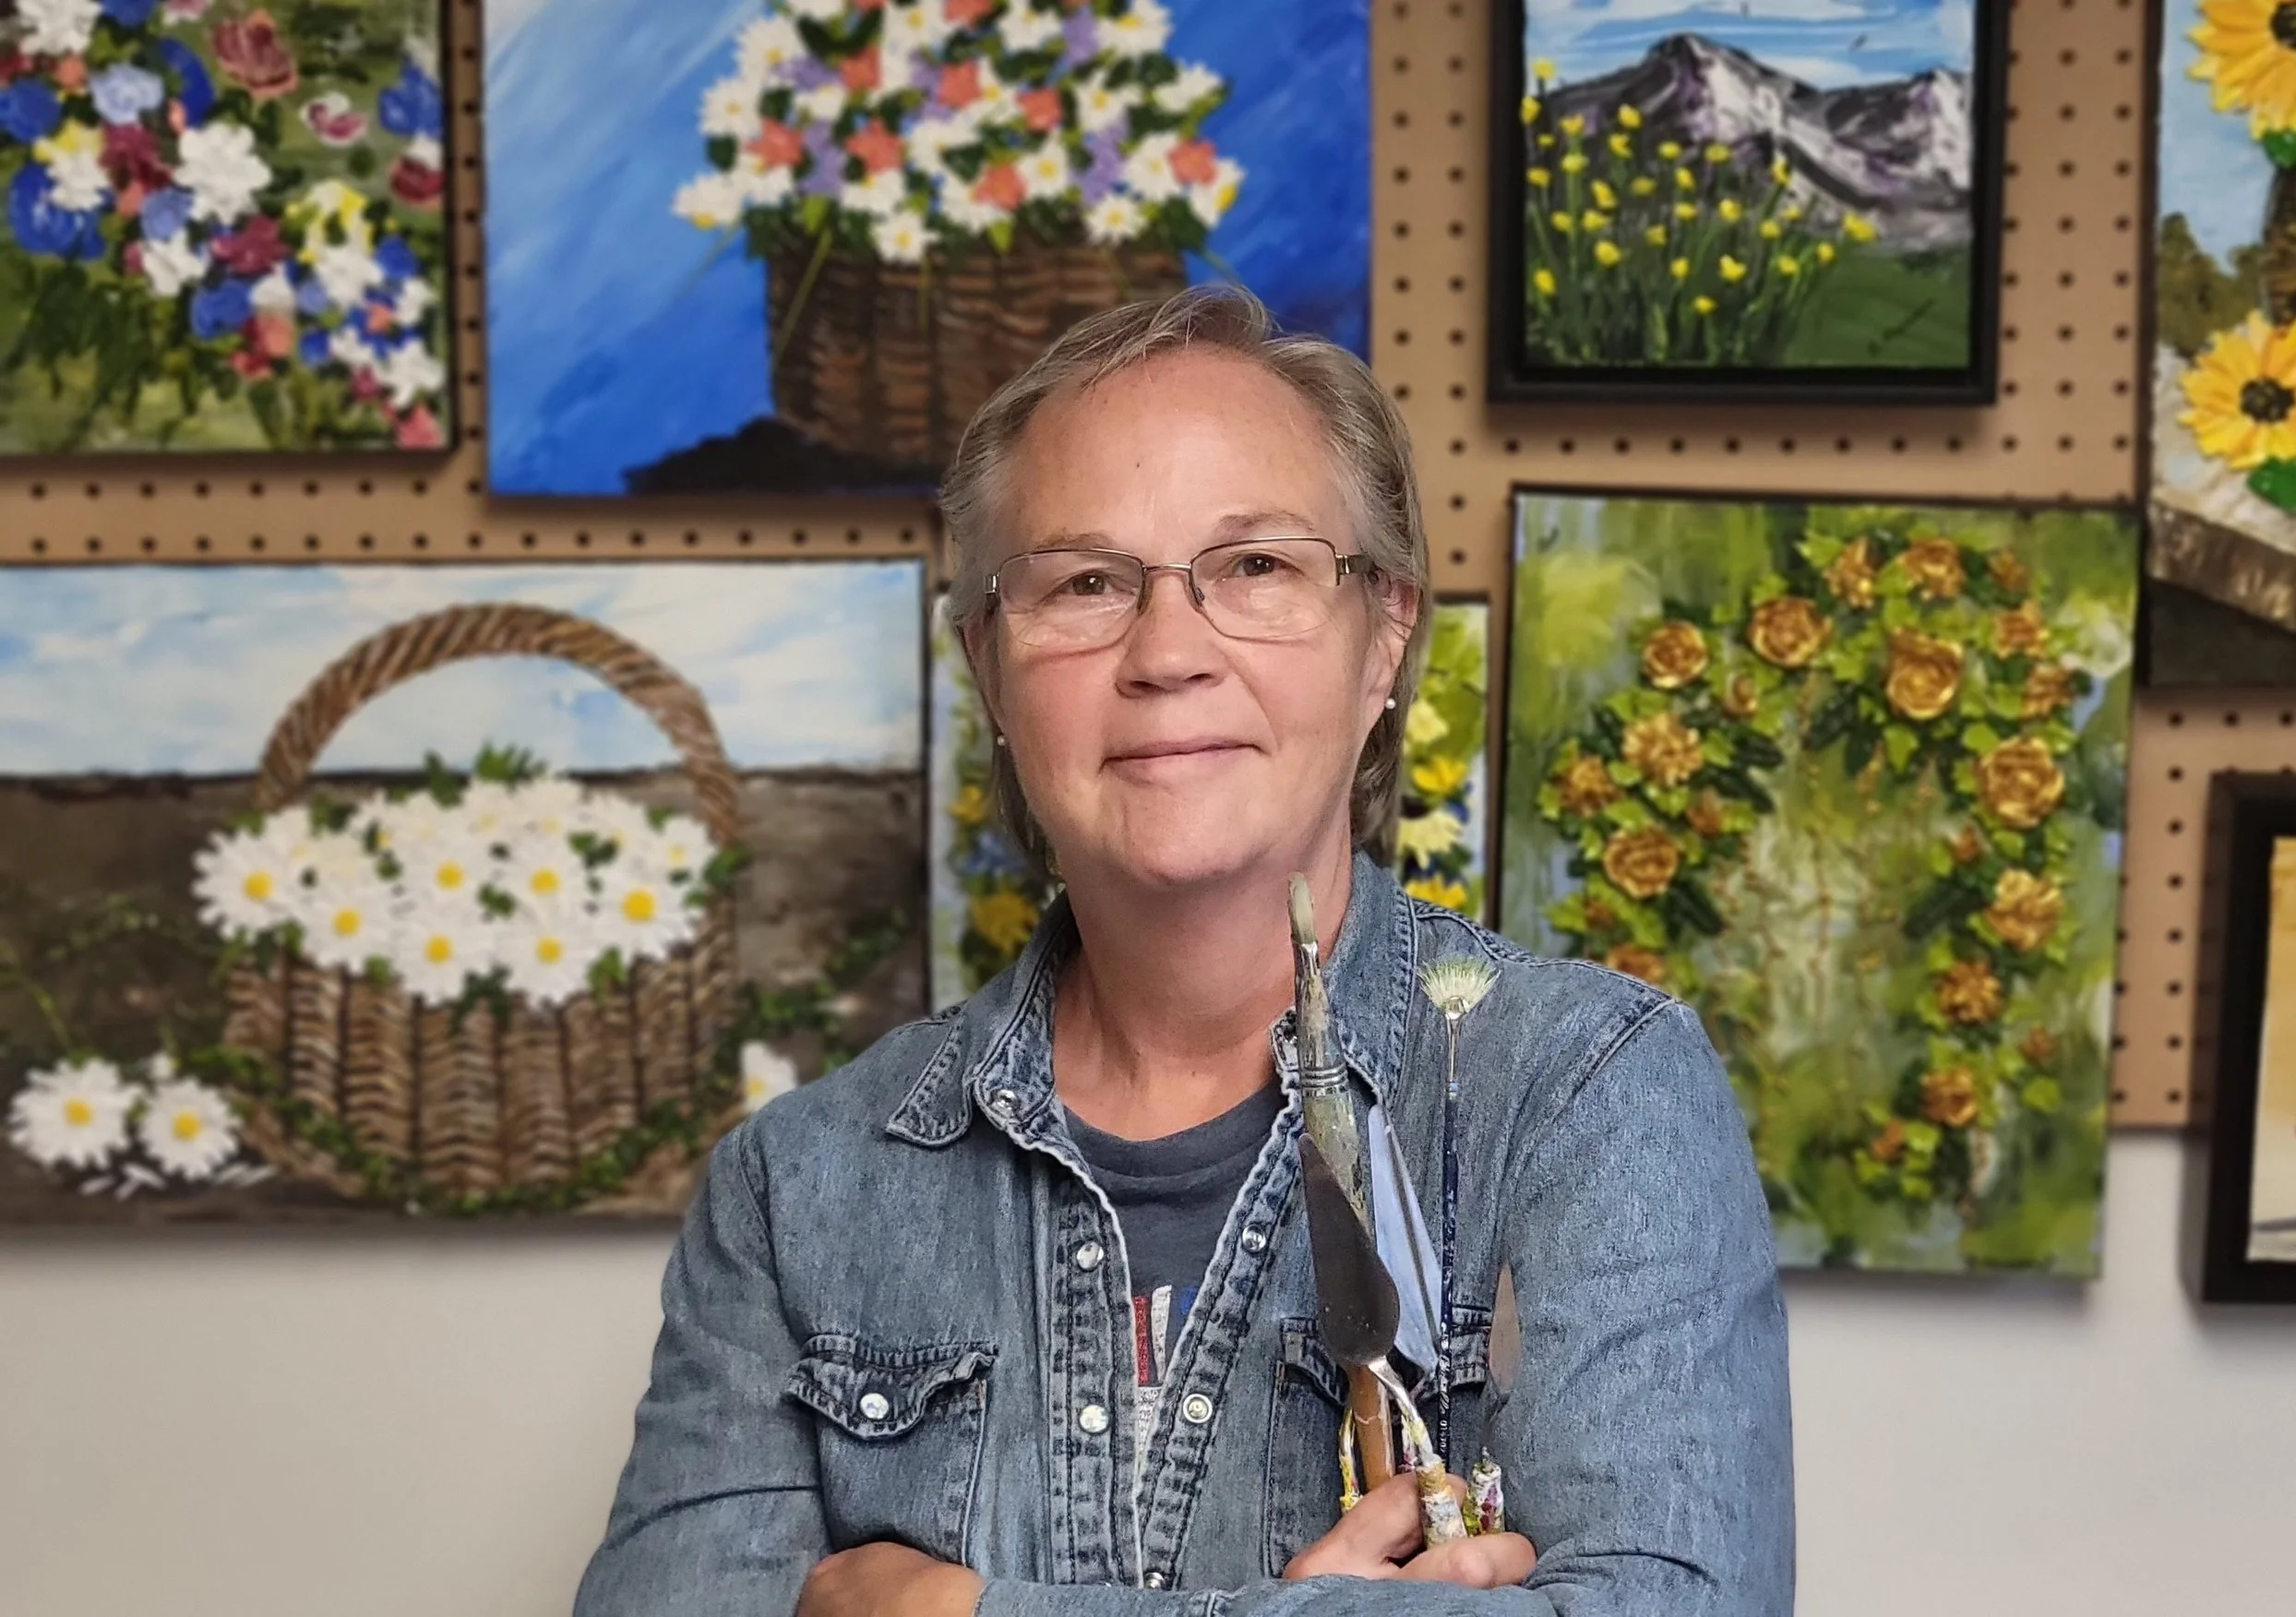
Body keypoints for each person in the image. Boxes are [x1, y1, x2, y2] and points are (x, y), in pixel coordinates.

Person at [572, 287, 1795, 1616]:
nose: (1167, 652)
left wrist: (952, 1610)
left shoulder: (1588, 1094)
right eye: (1085, 582)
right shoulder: (797, 1191)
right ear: (988, 661)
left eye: (1257, 567)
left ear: (1382, 634)